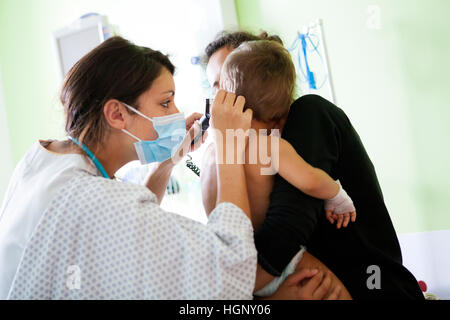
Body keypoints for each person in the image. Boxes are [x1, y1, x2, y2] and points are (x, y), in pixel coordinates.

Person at [202, 31, 424, 299]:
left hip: (375, 288)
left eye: (224, 84)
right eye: (214, 88)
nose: (220, 99)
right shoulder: (231, 151)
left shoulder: (308, 115)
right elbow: (227, 230)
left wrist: (236, 287)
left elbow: (285, 228)